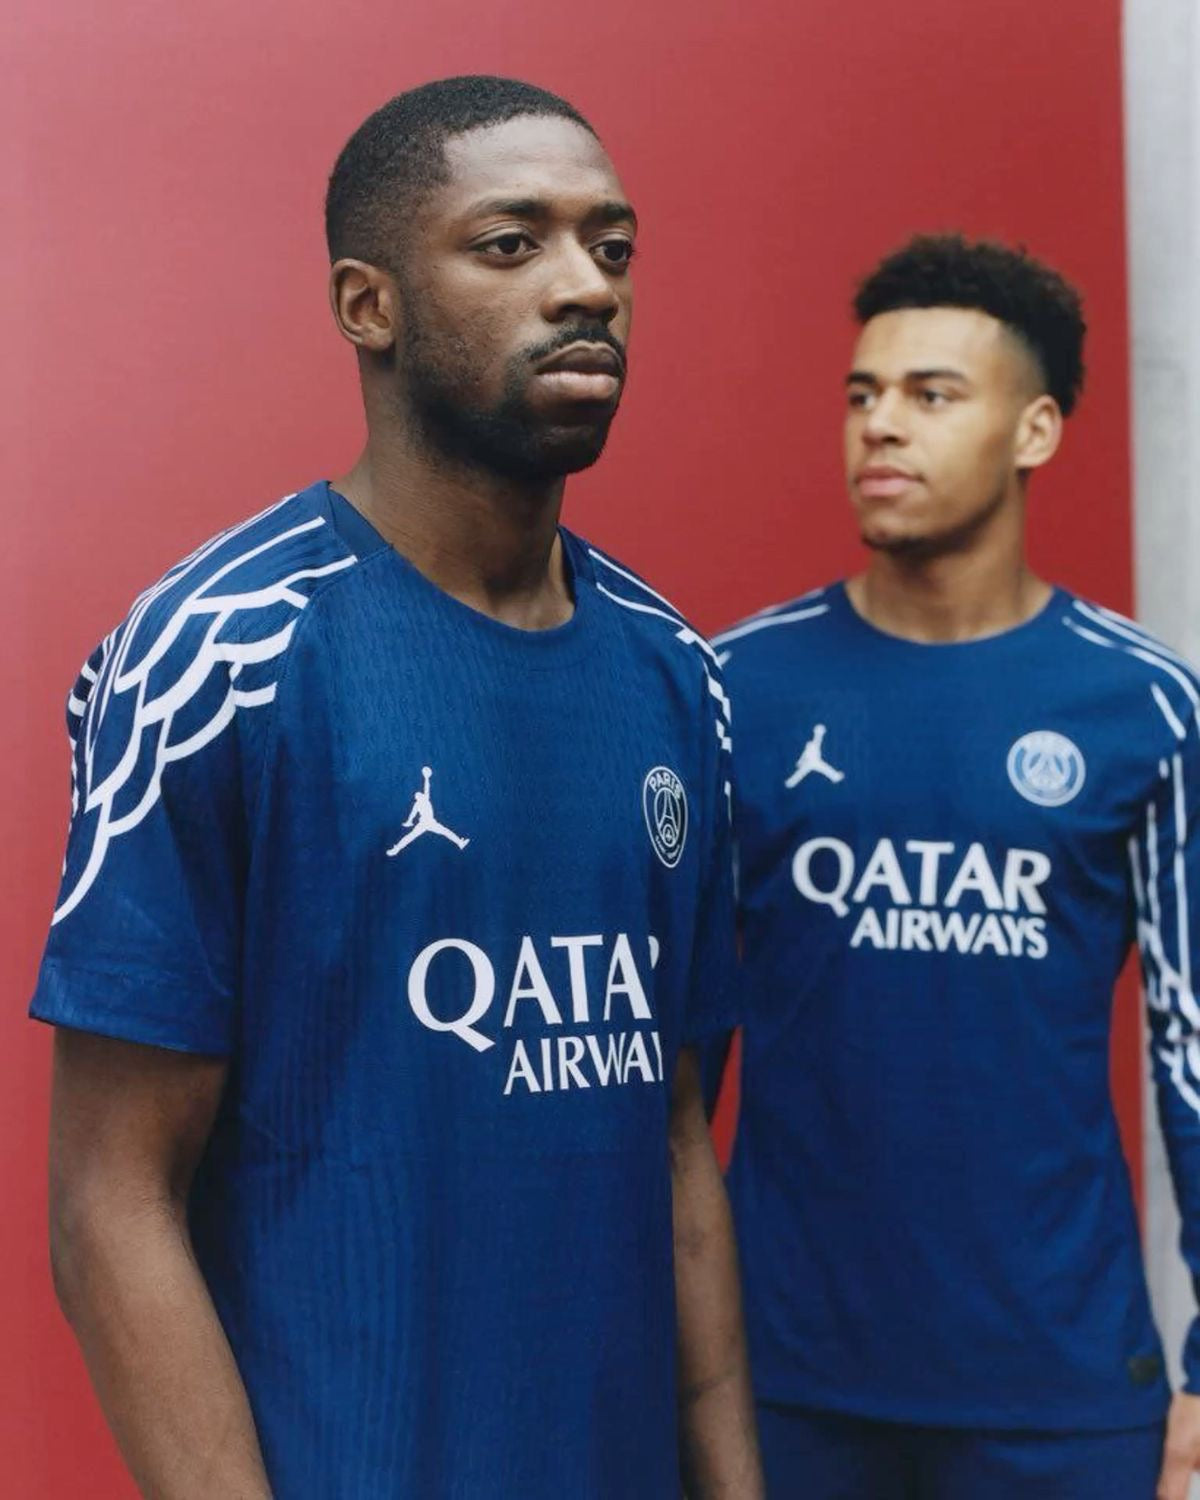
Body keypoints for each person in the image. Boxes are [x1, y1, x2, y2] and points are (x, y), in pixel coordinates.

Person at [34, 75, 761, 1499]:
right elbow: (109, 1203)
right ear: (368, 305)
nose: (587, 287)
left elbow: (678, 1149)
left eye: (612, 247)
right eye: (513, 243)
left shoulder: (680, 676)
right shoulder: (218, 657)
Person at [710, 234, 1200, 1498]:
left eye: (933, 395)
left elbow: (1195, 1049)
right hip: (785, 1383)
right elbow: (664, 1062)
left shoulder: (1145, 707)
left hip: (1057, 1390)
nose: (881, 425)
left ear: (1035, 431)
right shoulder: (735, 688)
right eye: (862, 394)